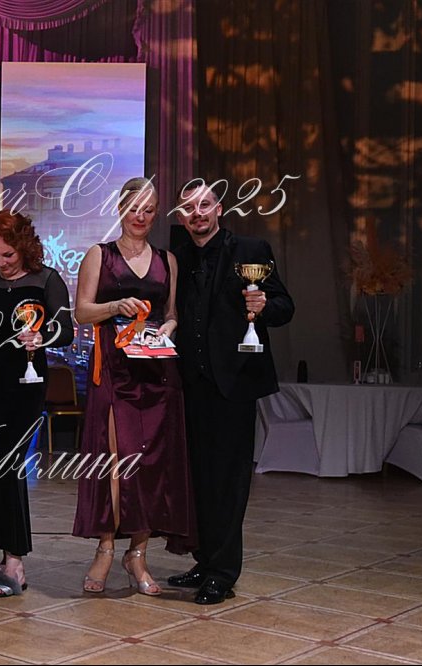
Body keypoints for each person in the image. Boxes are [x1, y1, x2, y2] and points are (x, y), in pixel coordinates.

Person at [169, 181, 294, 604]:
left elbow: (285, 306)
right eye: (189, 208)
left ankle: (222, 572)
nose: (198, 214)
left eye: (204, 205)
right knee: (198, 478)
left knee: (229, 481)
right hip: (190, 385)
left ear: (219, 208)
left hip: (235, 385)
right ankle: (204, 561)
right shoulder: (178, 256)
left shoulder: (251, 249)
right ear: (181, 216)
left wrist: (265, 307)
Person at [72, 177, 197, 596]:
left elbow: (172, 313)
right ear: (120, 209)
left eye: (148, 209)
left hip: (157, 374)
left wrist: (167, 330)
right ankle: (106, 548)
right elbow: (81, 312)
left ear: (156, 213)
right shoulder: (100, 255)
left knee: (151, 465)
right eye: (133, 208)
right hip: (115, 374)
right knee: (115, 461)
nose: (140, 217)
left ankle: (137, 554)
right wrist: (114, 306)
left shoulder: (167, 260)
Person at [0, 211, 73, 598]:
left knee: (10, 468)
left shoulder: (46, 279)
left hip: (26, 386)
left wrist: (43, 336)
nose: (2, 263)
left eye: (8, 255)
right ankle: (1, 555)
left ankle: (16, 563)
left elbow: (66, 330)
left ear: (24, 247)